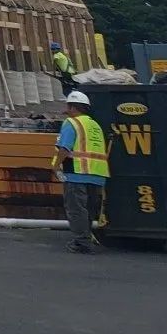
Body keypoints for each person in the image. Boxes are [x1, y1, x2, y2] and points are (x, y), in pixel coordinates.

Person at [53, 91, 108, 254]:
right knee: (88, 210)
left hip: (77, 174)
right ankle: (86, 236)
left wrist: (56, 166)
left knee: (76, 209)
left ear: (72, 107)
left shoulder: (72, 123)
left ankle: (81, 242)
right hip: (97, 175)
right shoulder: (94, 124)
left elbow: (65, 148)